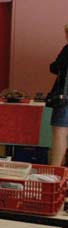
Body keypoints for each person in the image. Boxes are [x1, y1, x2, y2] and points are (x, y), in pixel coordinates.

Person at [48, 24, 68, 166]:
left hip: (65, 98)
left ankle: (56, 170)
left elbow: (56, 67)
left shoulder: (67, 49)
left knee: (60, 134)